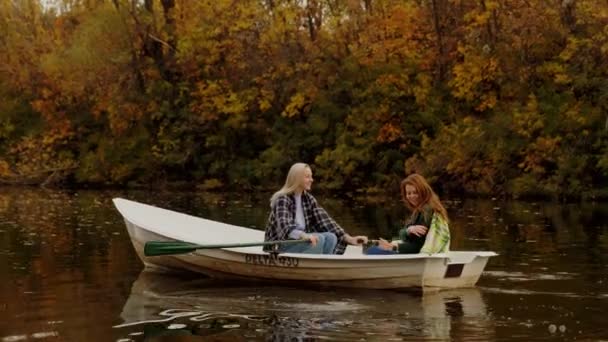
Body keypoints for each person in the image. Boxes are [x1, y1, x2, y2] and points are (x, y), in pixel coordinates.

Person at [264, 163, 368, 254]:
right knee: (320, 239)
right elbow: (284, 226)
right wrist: (303, 235)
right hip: (280, 245)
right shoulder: (283, 199)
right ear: (297, 178)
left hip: (300, 242)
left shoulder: (308, 199)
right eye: (307, 177)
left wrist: (349, 238)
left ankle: (322, 265)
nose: (311, 180)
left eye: (311, 176)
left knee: (331, 237)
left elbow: (326, 221)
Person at [366, 173, 450, 255]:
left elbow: (418, 246)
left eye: (415, 192)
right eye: (408, 193)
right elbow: (402, 233)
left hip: (417, 254)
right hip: (408, 247)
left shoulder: (427, 210)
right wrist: (409, 230)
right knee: (370, 245)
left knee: (371, 249)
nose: (411, 196)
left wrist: (393, 247)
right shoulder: (419, 210)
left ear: (423, 191)